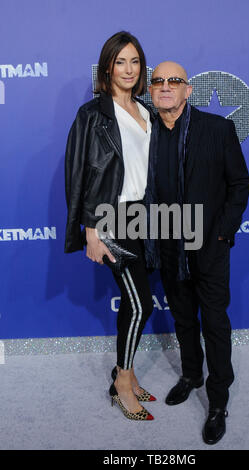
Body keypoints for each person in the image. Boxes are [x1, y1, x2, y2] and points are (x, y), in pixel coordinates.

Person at [144, 61, 249, 443]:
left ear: (188, 90)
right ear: (151, 91)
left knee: (215, 325)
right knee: (184, 320)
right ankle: (191, 374)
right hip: (168, 247)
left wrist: (222, 235)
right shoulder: (145, 133)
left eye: (174, 81)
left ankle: (218, 401)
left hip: (209, 247)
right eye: (158, 81)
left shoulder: (217, 129)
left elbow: (240, 184)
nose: (166, 86)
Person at [64, 32, 156, 421]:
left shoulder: (146, 110)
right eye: (121, 62)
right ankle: (122, 382)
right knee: (139, 305)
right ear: (107, 68)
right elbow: (80, 174)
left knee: (137, 303)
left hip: (144, 217)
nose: (129, 69)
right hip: (110, 218)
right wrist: (91, 231)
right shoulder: (92, 115)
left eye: (135, 61)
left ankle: (128, 372)